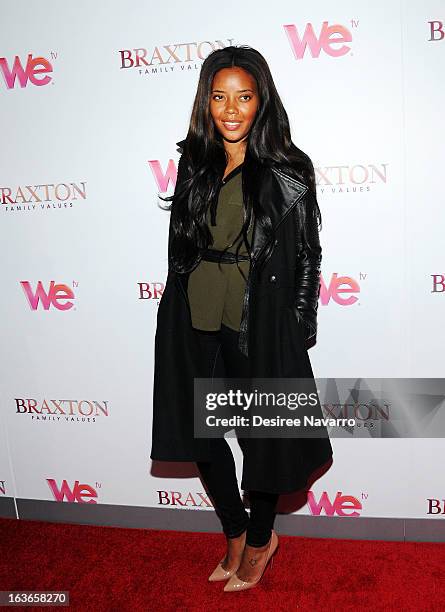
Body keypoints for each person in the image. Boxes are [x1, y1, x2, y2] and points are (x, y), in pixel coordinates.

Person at [150, 45, 333, 592]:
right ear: (207, 102)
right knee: (201, 438)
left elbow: (307, 254)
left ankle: (259, 541)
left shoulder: (287, 171)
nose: (231, 109)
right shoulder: (196, 161)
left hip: (257, 319)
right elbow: (181, 243)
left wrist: (298, 324)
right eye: (219, 96)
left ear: (261, 102)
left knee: (262, 439)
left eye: (244, 97)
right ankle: (233, 531)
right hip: (194, 313)